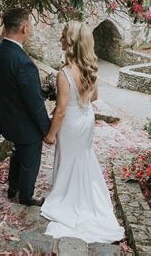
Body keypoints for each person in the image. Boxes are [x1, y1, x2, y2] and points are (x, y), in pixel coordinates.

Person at [40, 21, 125, 243]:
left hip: (70, 122)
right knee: (82, 158)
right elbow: (94, 98)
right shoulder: (91, 69)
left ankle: (67, 198)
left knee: (68, 159)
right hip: (86, 118)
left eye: (63, 37)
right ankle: (85, 198)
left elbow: (60, 111)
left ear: (72, 42)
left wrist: (50, 135)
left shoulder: (65, 72)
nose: (60, 40)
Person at [0, 8, 50, 207]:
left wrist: (6, 105)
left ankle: (13, 188)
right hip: (25, 124)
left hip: (6, 119)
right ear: (24, 27)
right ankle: (26, 197)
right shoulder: (24, 62)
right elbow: (34, 103)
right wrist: (46, 130)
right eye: (30, 27)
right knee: (30, 158)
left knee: (17, 152)